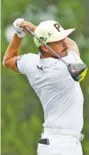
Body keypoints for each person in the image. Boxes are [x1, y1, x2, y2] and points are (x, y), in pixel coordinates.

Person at [3, 18, 84, 155]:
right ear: (45, 47)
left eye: (64, 39)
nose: (65, 43)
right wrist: (34, 28)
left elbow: (8, 61)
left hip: (58, 143)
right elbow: (73, 46)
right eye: (59, 41)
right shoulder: (63, 68)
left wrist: (19, 34)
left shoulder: (31, 62)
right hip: (62, 145)